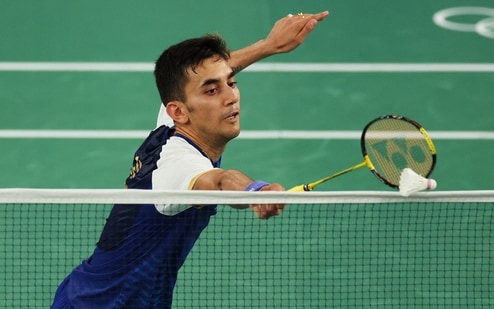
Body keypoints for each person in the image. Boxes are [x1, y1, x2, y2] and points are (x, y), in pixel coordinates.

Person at [51, 11, 329, 309]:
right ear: (179, 112)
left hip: (91, 293)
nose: (231, 97)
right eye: (212, 91)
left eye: (231, 83)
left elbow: (201, 76)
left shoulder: (170, 122)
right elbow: (220, 182)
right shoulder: (178, 166)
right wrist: (254, 191)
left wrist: (269, 45)